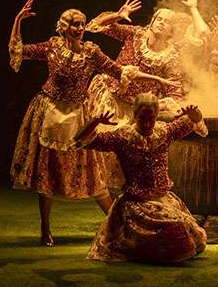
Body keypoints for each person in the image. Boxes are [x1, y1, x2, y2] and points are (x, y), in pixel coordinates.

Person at [8, 0, 176, 246]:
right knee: (47, 171)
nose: (79, 28)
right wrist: (17, 21)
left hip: (78, 114)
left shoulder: (91, 52)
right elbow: (20, 51)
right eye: (74, 24)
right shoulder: (53, 47)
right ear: (64, 27)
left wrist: (159, 81)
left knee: (94, 173)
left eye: (82, 24)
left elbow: (121, 71)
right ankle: (45, 228)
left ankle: (120, 225)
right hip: (50, 112)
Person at [72, 93, 207, 263]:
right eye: (142, 118)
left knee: (197, 241)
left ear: (156, 116)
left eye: (151, 118)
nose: (147, 123)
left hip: (164, 200)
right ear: (134, 115)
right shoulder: (123, 137)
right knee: (176, 235)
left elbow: (195, 120)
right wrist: (94, 122)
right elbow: (79, 139)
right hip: (137, 205)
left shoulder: (164, 132)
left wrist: (195, 112)